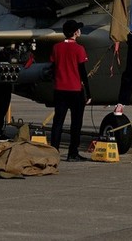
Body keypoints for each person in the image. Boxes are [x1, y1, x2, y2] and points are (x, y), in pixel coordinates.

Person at [50, 19, 91, 162]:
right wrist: (88, 93)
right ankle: (72, 153)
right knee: (76, 123)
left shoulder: (56, 47)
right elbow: (83, 72)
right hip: (75, 90)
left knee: (58, 122)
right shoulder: (79, 49)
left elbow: (53, 68)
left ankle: (53, 151)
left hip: (60, 89)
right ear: (75, 32)